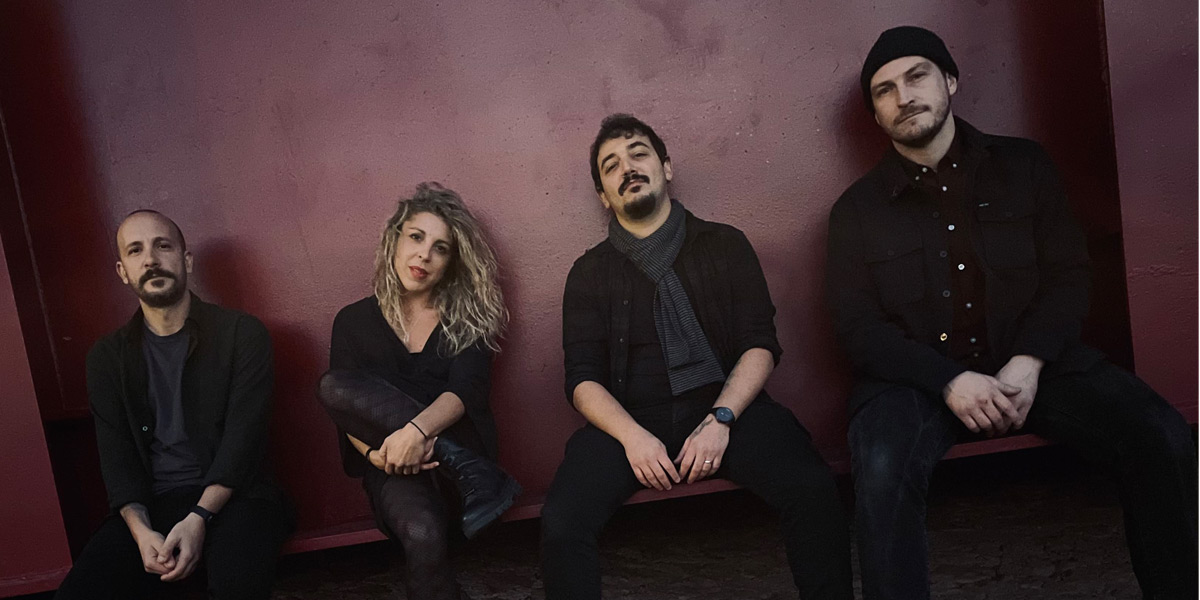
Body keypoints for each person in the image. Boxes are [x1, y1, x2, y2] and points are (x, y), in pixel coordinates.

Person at [827, 25, 1198, 600]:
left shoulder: (1024, 166)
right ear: (875, 114)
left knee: (1163, 436)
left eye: (917, 76)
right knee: (880, 469)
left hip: (1034, 366)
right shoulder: (855, 210)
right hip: (917, 381)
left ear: (950, 80)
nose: (904, 97)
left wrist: (1029, 362)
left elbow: (1069, 276)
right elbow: (858, 328)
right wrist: (948, 380)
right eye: (885, 90)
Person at [540, 114, 853, 599]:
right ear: (603, 195)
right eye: (611, 165)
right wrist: (632, 438)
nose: (627, 168)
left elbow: (759, 344)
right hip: (629, 423)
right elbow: (582, 379)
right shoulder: (588, 273)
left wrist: (721, 419)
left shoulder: (724, 244)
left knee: (812, 488)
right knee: (561, 522)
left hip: (725, 408)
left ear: (666, 167)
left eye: (638, 153)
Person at [55, 210, 291, 599]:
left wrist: (199, 517)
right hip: (153, 507)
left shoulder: (241, 334)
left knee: (235, 586)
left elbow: (243, 443)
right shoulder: (107, 357)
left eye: (162, 246)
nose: (150, 259)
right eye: (135, 250)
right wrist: (141, 532)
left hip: (238, 498)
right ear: (123, 271)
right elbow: (117, 460)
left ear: (186, 260)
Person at [317, 182, 519, 600]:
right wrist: (379, 456)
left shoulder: (468, 318)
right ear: (394, 241)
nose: (424, 254)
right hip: (393, 463)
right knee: (421, 532)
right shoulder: (353, 321)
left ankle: (465, 465)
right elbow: (346, 412)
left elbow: (464, 393)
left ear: (451, 262)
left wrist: (416, 433)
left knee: (337, 387)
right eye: (416, 237)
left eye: (440, 248)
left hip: (465, 475)